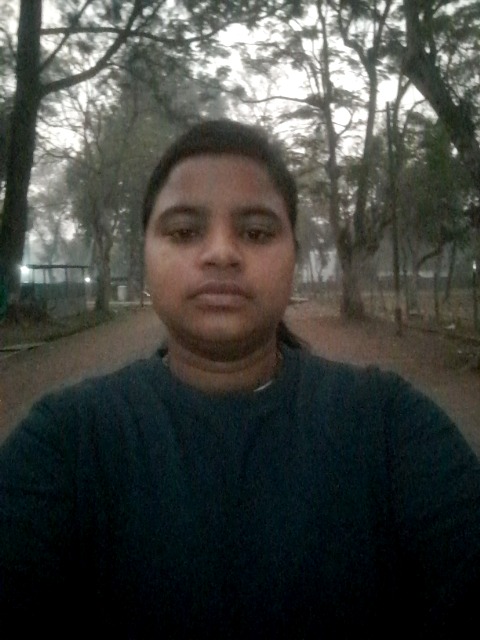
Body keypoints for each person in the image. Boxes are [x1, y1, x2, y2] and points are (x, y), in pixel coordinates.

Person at [1, 119, 480, 638]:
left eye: (256, 232)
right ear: (145, 255)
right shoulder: (68, 442)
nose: (221, 253)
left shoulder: (388, 425)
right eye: (184, 232)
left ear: (294, 255)